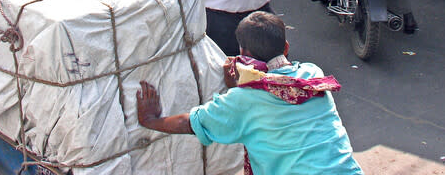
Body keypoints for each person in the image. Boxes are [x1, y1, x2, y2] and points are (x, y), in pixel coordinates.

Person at [136, 11, 364, 175]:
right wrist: (238, 87)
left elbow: (191, 123)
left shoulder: (243, 100)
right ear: (285, 47)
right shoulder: (311, 74)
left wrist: (151, 120)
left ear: (242, 53)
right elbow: (273, 96)